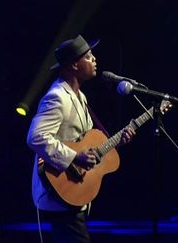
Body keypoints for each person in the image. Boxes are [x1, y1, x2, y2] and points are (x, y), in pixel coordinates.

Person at [26, 35, 135, 242]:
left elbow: (87, 144)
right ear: (74, 65)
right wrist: (75, 157)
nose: (94, 59)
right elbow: (36, 137)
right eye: (88, 56)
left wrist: (116, 142)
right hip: (60, 192)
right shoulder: (57, 97)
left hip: (75, 192)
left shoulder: (80, 97)